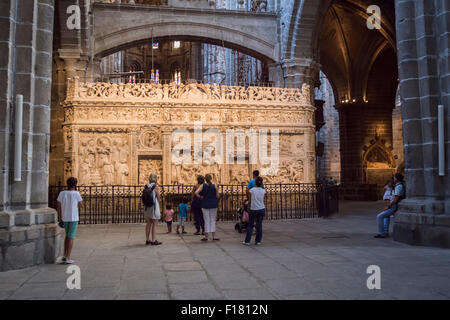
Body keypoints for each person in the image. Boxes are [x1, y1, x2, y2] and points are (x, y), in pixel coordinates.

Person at [57, 177, 83, 264]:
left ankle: (65, 254)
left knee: (67, 235)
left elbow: (59, 206)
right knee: (71, 237)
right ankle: (68, 257)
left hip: (64, 217)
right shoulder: (76, 194)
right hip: (73, 218)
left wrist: (60, 218)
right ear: (75, 184)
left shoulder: (62, 193)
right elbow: (80, 205)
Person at [374, 173, 406, 238]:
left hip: (394, 206)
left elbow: (396, 199)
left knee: (379, 216)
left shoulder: (399, 187)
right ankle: (385, 232)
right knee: (386, 217)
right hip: (393, 205)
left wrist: (388, 206)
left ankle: (381, 233)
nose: (393, 179)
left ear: (396, 179)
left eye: (394, 177)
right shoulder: (397, 186)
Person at [194, 174, 220, 242]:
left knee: (206, 220)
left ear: (205, 179)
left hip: (205, 204)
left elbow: (196, 192)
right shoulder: (215, 186)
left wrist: (200, 197)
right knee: (212, 220)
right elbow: (217, 196)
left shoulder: (203, 185)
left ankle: (206, 236)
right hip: (214, 204)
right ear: (211, 178)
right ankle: (214, 236)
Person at [243, 176, 266, 246]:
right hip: (261, 209)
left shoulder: (252, 190)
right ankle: (258, 241)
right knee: (259, 225)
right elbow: (264, 198)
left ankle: (247, 241)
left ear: (255, 183)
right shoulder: (263, 190)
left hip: (254, 209)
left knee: (250, 225)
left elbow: (248, 196)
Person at [143, 173, 162, 245]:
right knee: (155, 223)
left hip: (147, 207)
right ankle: (154, 240)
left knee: (148, 223)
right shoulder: (155, 186)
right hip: (154, 206)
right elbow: (158, 197)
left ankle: (147, 240)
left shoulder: (146, 186)